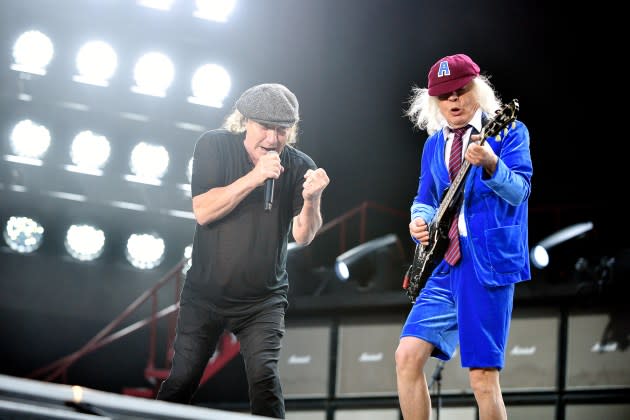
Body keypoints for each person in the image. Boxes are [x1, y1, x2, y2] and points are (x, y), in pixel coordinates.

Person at [156, 83, 329, 418]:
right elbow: (203, 211)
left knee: (265, 378)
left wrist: (312, 200)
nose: (273, 139)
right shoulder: (214, 145)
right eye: (266, 127)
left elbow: (303, 236)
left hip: (262, 299)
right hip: (205, 293)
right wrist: (255, 177)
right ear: (245, 120)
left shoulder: (298, 164)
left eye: (282, 130)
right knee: (183, 379)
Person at [395, 53, 533, 420]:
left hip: (486, 262)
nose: (453, 100)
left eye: (460, 90)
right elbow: (424, 198)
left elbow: (520, 191)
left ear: (478, 89)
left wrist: (491, 163)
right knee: (407, 357)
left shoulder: (510, 132)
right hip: (443, 263)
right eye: (444, 95)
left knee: (483, 378)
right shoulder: (433, 144)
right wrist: (419, 222)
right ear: (434, 101)